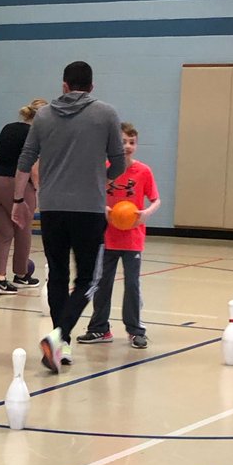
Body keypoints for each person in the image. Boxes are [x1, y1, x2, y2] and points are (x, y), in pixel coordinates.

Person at [13, 60, 125, 374]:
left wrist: (18, 199)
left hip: (52, 209)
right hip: (89, 209)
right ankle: (58, 337)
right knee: (89, 279)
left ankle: (61, 346)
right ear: (91, 86)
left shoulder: (44, 115)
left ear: (64, 86)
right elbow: (118, 163)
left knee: (59, 276)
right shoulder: (106, 114)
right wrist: (100, 179)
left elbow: (26, 158)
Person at [77, 122, 160, 349]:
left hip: (133, 238)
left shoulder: (143, 171)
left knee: (132, 284)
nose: (127, 146)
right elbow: (92, 194)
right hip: (106, 237)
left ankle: (135, 330)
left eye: (131, 142)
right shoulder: (103, 169)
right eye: (123, 141)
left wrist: (146, 214)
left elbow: (156, 199)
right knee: (103, 283)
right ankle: (99, 328)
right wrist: (104, 210)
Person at [0, 100, 46, 294]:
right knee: (23, 229)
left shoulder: (8, 128)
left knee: (2, 234)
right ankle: (21, 274)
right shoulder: (37, 134)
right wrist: (37, 189)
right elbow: (33, 167)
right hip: (15, 184)